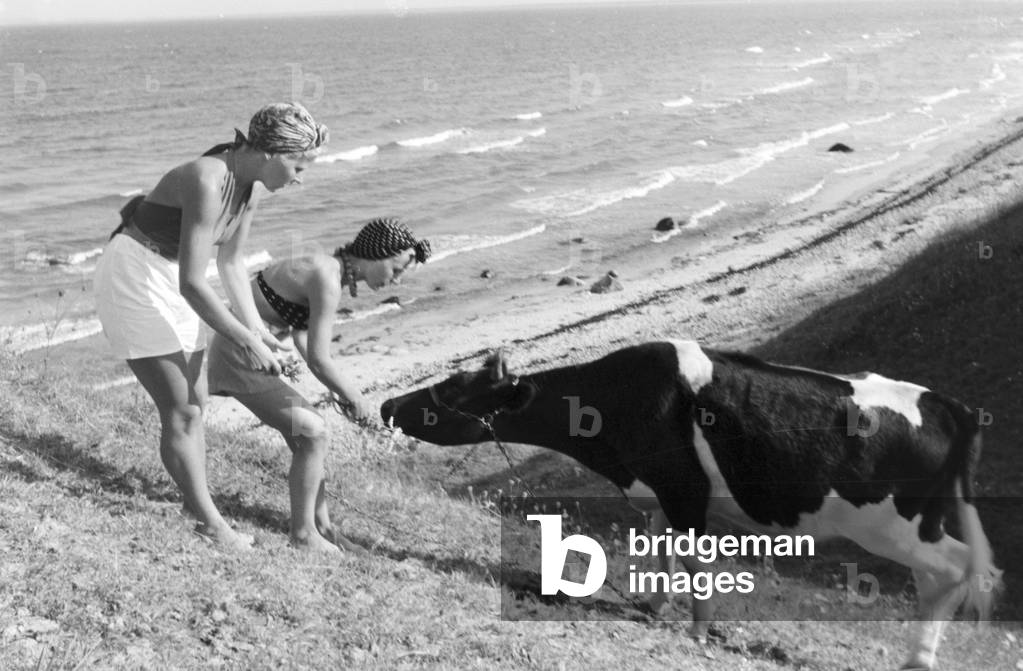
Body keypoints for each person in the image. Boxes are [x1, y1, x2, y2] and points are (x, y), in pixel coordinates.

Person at [94, 102, 328, 550]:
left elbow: (232, 262)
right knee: (181, 409)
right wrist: (246, 341)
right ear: (269, 152)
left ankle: (194, 505)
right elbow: (193, 285)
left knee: (195, 403)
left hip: (172, 274)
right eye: (298, 166)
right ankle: (210, 524)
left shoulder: (250, 185)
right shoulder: (208, 178)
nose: (300, 177)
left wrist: (258, 330)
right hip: (136, 274)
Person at [206, 217, 431, 553]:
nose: (396, 279)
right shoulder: (327, 278)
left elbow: (301, 334)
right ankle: (303, 535)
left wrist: (334, 390)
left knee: (306, 437)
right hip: (240, 358)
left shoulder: (326, 269)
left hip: (251, 356)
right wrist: (357, 400)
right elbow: (320, 359)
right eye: (395, 269)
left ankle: (322, 528)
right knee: (313, 432)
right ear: (375, 253)